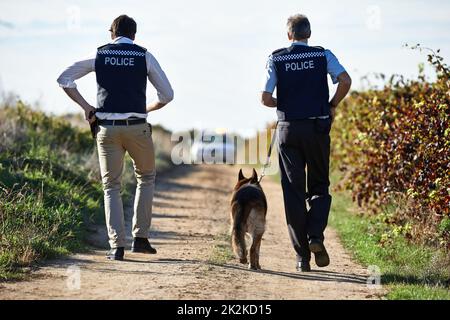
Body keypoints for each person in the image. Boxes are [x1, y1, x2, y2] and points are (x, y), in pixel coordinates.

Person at [57, 15, 174, 261]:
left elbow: (64, 78)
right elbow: (167, 95)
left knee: (111, 186)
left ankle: (116, 247)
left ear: (112, 33)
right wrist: (147, 108)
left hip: (107, 130)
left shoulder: (99, 55)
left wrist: (87, 107)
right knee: (147, 178)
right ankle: (140, 239)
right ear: (134, 34)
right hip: (137, 128)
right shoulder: (144, 56)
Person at [260, 14, 351, 272]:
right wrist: (332, 105)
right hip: (318, 127)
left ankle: (302, 258)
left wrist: (287, 101)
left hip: (289, 130)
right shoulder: (323, 55)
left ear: (289, 35)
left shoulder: (276, 58)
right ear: (309, 33)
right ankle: (315, 236)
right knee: (320, 185)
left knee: (293, 191)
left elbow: (265, 98)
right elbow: (345, 81)